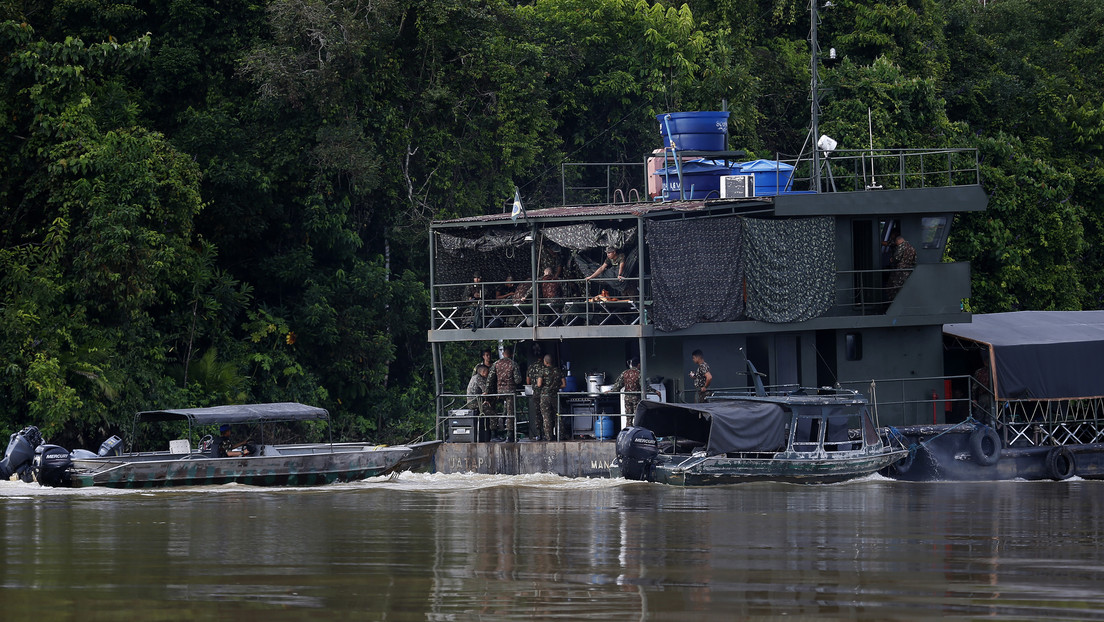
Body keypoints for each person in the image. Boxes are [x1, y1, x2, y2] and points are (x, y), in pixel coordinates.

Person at [487, 345, 522, 440]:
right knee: (510, 413)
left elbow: (490, 379)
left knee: (493, 411)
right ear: (511, 354)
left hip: (499, 392)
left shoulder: (496, 364)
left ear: (503, 354)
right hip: (510, 392)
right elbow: (518, 380)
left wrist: (487, 392)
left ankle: (493, 433)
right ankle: (510, 435)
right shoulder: (513, 364)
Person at [607, 357, 653, 426]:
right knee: (638, 417)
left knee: (628, 417)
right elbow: (644, 386)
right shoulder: (639, 373)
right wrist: (655, 391)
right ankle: (637, 432)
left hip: (627, 398)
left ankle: (628, 431)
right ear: (639, 364)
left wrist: (611, 391)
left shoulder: (625, 373)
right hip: (636, 398)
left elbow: (618, 385)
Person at [537, 354, 565, 441]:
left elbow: (539, 384)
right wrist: (555, 387)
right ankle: (560, 435)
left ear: (545, 362)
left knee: (546, 417)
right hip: (555, 396)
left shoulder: (542, 371)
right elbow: (564, 385)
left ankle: (549, 437)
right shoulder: (558, 371)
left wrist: (546, 388)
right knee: (558, 415)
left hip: (545, 396)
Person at [887, 232, 916, 298]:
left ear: (898, 241)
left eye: (896, 243)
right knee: (905, 287)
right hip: (909, 271)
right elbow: (914, 260)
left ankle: (892, 301)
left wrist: (892, 259)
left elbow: (896, 258)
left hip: (900, 271)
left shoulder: (901, 247)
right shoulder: (912, 247)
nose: (896, 244)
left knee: (895, 287)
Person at [526, 346, 546, 440]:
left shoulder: (531, 367)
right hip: (545, 393)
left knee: (538, 414)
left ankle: (539, 434)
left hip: (535, 394)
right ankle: (548, 433)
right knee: (546, 414)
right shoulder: (545, 367)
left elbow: (528, 382)